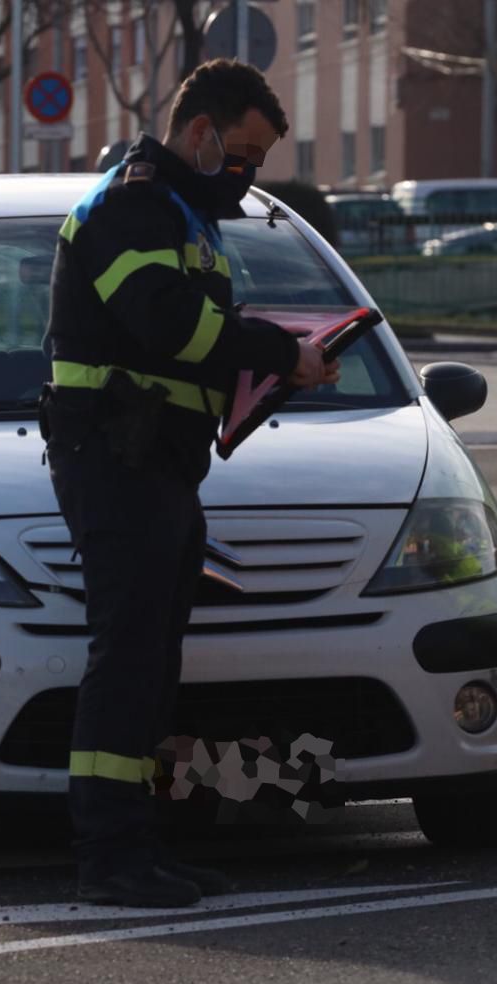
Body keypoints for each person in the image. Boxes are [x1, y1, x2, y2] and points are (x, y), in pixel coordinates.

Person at [39, 59, 339, 908]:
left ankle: (138, 843)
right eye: (239, 153)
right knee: (128, 658)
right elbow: (170, 325)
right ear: (199, 133)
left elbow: (194, 341)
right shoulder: (130, 205)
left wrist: (266, 372)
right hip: (116, 463)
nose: (246, 174)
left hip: (161, 468)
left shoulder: (183, 217)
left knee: (152, 663)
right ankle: (107, 854)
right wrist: (281, 352)